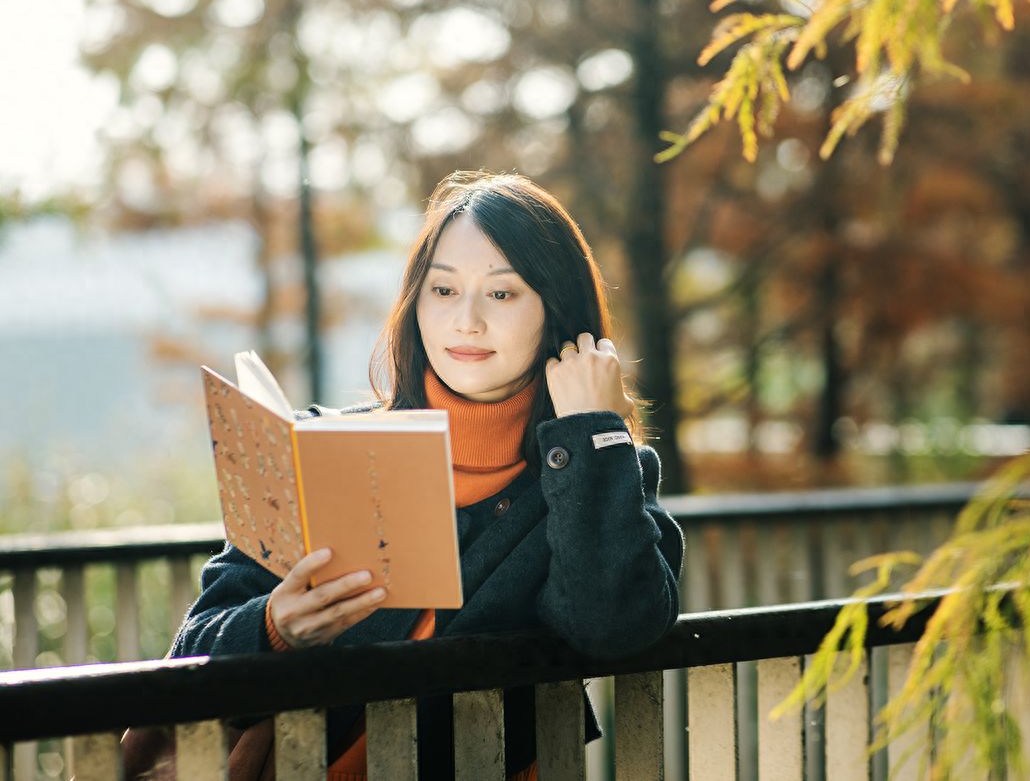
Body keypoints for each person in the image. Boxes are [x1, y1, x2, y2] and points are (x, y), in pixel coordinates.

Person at [166, 171, 685, 780]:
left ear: (558, 310)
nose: (465, 321)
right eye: (442, 290)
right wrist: (274, 627)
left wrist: (592, 431)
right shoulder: (319, 447)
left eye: (502, 293)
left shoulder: (599, 468)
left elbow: (615, 628)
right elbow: (192, 647)